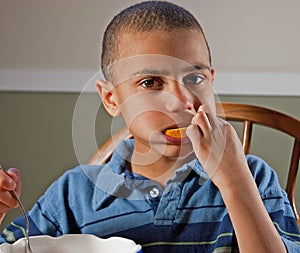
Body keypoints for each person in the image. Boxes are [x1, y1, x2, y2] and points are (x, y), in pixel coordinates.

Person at [0, 1, 299, 252]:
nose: (182, 102)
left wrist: (235, 183)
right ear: (111, 99)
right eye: (151, 83)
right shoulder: (73, 195)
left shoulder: (253, 178)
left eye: (195, 79)